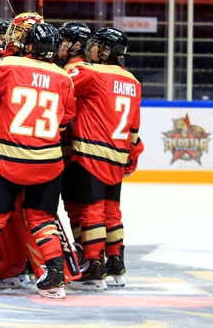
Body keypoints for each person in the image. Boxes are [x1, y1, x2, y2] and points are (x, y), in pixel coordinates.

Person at [0, 22, 76, 299]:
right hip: (48, 162)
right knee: (41, 218)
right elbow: (65, 119)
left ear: (31, 46)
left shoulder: (11, 65)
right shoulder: (64, 78)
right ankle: (55, 272)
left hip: (7, 159)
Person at [66, 28, 143, 291]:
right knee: (112, 210)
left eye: (97, 45)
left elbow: (58, 82)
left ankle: (93, 264)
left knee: (91, 210)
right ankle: (116, 263)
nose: (92, 48)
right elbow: (133, 128)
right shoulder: (133, 81)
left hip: (91, 152)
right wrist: (131, 154)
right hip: (118, 154)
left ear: (107, 51)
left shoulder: (91, 72)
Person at [56, 21, 92, 248]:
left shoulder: (74, 70)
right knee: (76, 204)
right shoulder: (83, 67)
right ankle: (87, 251)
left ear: (77, 45)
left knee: (77, 205)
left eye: (63, 41)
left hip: (69, 147)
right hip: (77, 147)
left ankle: (89, 255)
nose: (59, 45)